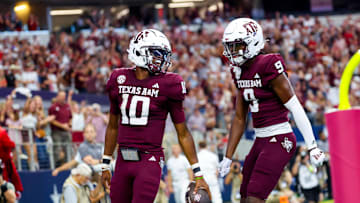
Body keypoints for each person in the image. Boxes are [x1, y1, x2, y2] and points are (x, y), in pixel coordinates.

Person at [218, 18, 325, 203]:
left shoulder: (268, 63)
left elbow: (295, 106)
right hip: (260, 139)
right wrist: (228, 157)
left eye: (237, 46)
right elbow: (239, 118)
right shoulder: (238, 71)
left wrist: (312, 147)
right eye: (230, 46)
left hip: (280, 138)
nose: (232, 52)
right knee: (243, 199)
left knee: (254, 199)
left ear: (253, 42)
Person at [101, 29, 210, 203]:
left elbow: (182, 132)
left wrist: (198, 173)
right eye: (156, 54)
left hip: (149, 159)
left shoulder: (169, 83)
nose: (162, 59)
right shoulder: (118, 78)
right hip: (122, 159)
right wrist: (105, 164)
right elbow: (113, 125)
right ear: (139, 52)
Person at [48, 91, 72, 167]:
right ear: (57, 97)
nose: (63, 98)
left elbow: (70, 117)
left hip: (66, 131)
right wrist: (62, 125)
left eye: (64, 96)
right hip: (56, 132)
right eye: (61, 96)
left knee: (68, 148)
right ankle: (56, 165)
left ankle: (68, 164)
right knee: (57, 149)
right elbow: (51, 120)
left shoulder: (67, 106)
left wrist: (69, 124)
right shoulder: (53, 107)